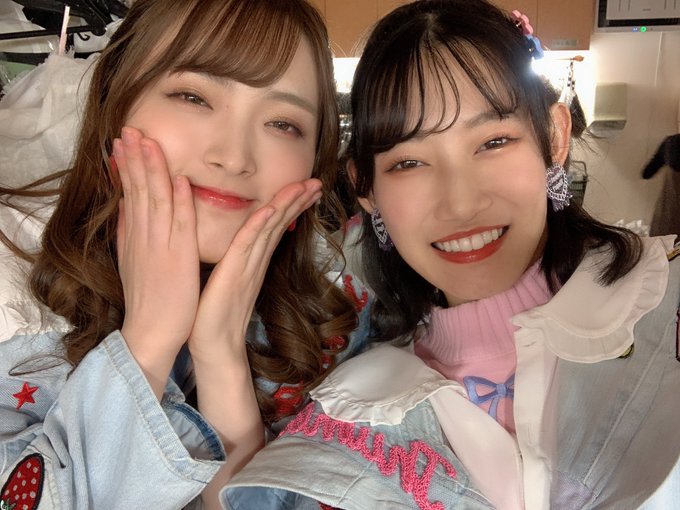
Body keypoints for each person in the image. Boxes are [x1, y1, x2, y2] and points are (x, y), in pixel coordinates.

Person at [221, 1, 680, 509]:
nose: (461, 204)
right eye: (409, 162)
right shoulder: (353, 413)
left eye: (493, 141)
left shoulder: (665, 307)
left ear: (554, 137)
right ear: (365, 189)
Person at [0, 0, 368, 508]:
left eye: (284, 124)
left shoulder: (335, 323)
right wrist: (149, 342)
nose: (234, 157)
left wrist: (221, 357)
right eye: (193, 96)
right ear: (114, 104)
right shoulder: (11, 301)